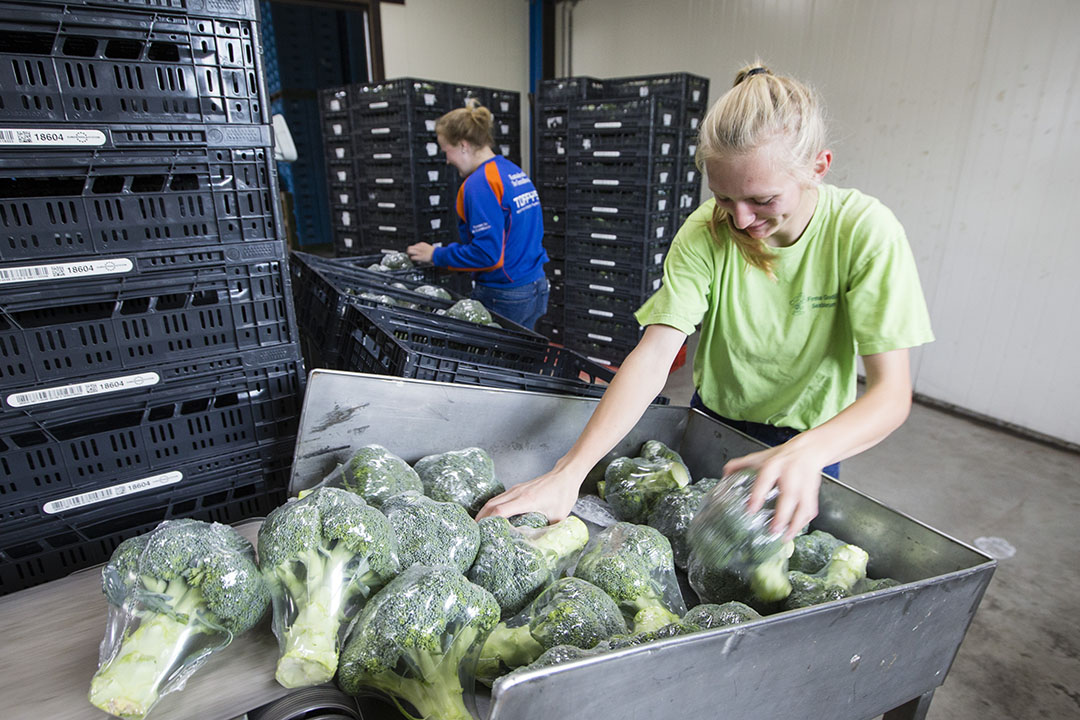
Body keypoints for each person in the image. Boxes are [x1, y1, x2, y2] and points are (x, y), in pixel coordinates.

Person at [477, 62, 934, 539]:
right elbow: (654, 355)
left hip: (812, 442)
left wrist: (808, 451)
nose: (739, 220)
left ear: (818, 167)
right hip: (711, 423)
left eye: (761, 200)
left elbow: (890, 395)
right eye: (723, 197)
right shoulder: (704, 230)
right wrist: (567, 473)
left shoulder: (863, 232)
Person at [406, 100, 550, 330]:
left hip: (504, 293)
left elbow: (488, 255)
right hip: (535, 286)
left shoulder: (480, 185)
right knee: (521, 360)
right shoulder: (511, 171)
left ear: (463, 145)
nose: (447, 160)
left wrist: (436, 254)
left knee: (492, 362)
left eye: (446, 151)